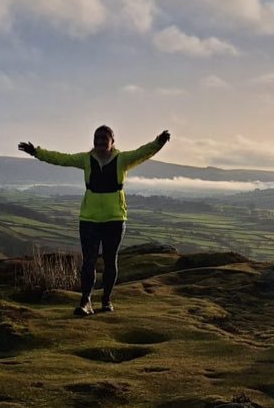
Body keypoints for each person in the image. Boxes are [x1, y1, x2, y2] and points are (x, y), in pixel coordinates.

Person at [18, 126, 170, 316]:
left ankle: (106, 300)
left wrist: (158, 142)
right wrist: (37, 152)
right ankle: (85, 301)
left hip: (115, 218)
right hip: (89, 218)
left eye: (103, 138)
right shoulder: (85, 159)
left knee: (109, 260)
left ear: (112, 141)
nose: (99, 142)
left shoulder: (122, 160)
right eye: (96, 138)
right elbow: (61, 158)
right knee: (88, 261)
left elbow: (143, 153)